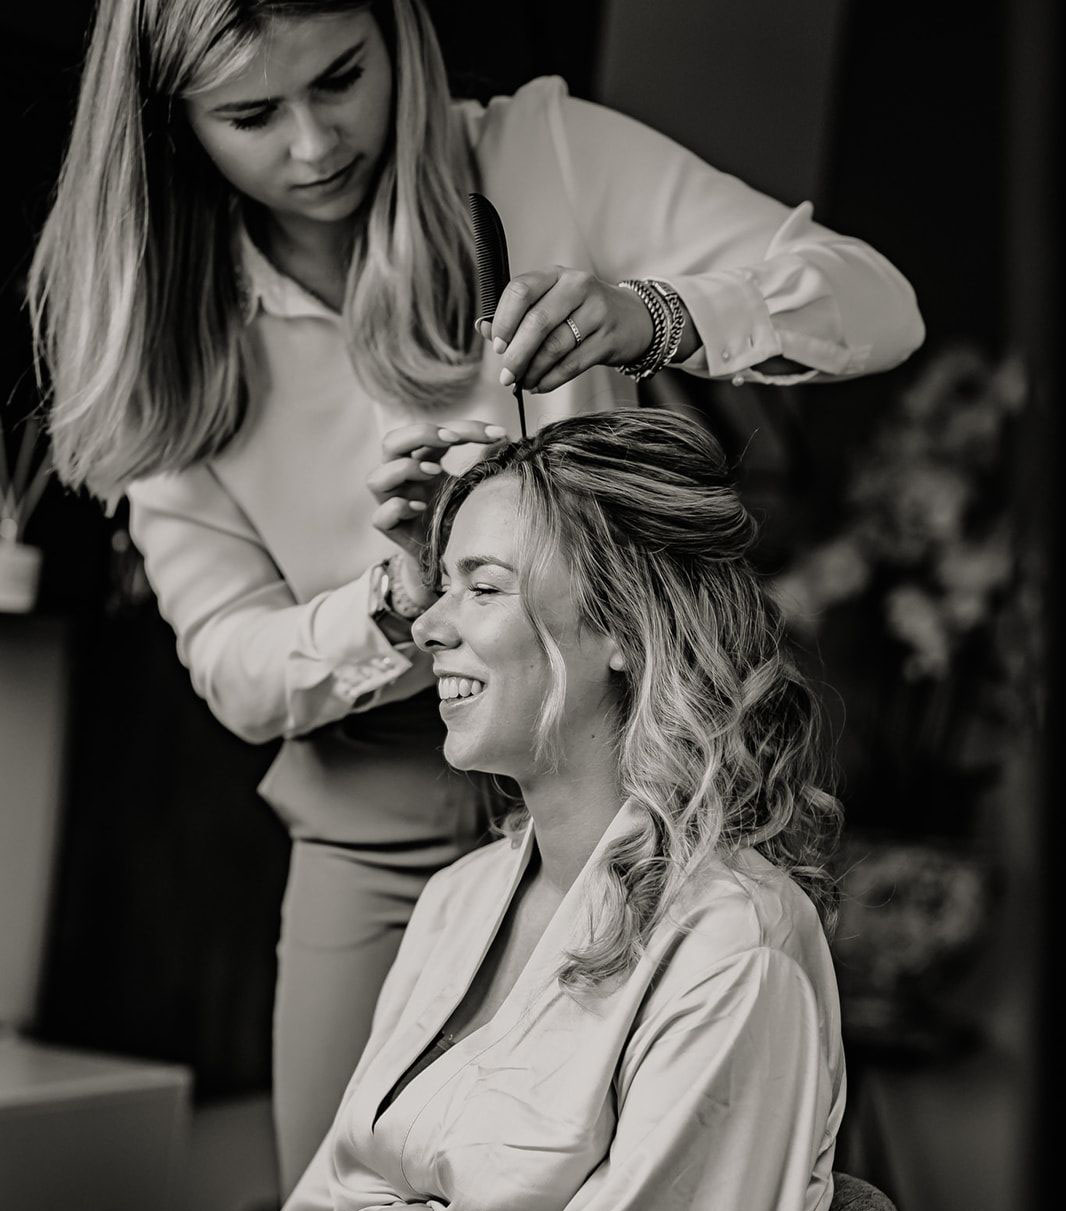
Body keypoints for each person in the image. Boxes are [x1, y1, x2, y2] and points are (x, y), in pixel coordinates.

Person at [28, 0, 920, 1188]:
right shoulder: (159, 328)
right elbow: (237, 670)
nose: (314, 144)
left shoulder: (542, 158)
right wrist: (394, 601)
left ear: (399, 34)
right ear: (168, 126)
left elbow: (872, 302)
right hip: (374, 810)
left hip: (628, 764)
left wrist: (655, 314)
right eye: (251, 114)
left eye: (342, 76)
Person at [284, 408, 845, 1211]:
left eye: (481, 587)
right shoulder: (459, 899)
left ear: (622, 626)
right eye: (441, 586)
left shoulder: (736, 950)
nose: (428, 625)